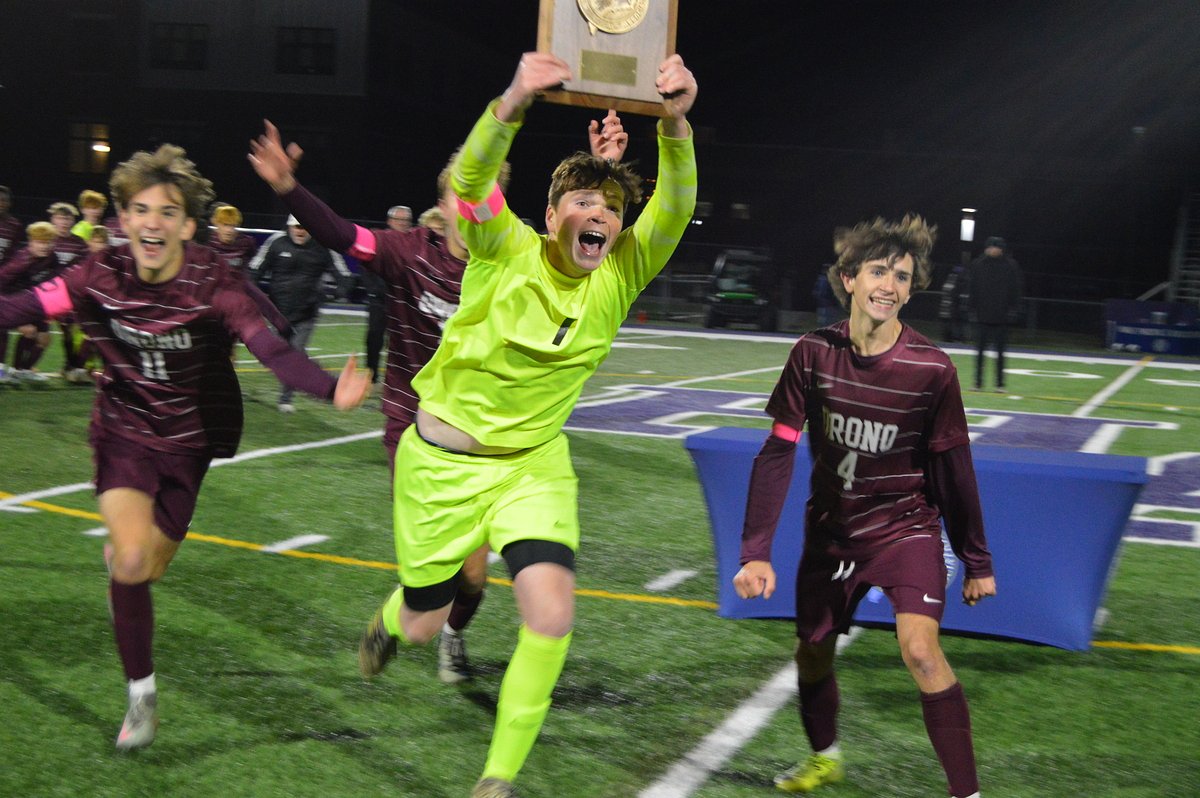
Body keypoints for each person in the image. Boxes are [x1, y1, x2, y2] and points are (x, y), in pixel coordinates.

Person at [347, 51, 696, 798]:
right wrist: (514, 99)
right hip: (441, 466)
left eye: (609, 206)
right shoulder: (502, 248)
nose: (597, 214)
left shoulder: (622, 274)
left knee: (551, 610)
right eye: (580, 201)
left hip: (532, 466)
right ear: (548, 215)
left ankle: (497, 777)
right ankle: (391, 618)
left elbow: (673, 204)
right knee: (421, 620)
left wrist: (674, 123)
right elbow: (469, 184)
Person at [0, 143, 370, 751]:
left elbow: (268, 348)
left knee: (152, 565)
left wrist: (329, 388)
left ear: (187, 225)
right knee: (132, 562)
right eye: (140, 210)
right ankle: (141, 695)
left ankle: (128, 570)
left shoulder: (214, 283)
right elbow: (23, 306)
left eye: (167, 212)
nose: (152, 222)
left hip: (189, 441)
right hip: (122, 432)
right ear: (122, 220)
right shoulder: (98, 274)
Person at [247, 109, 628, 686]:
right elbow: (340, 234)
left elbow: (582, 228)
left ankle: (451, 635)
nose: (475, 202)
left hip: (493, 437)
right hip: (416, 424)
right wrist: (287, 188)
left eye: (491, 193)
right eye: (464, 193)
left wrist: (603, 170)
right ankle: (405, 620)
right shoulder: (408, 252)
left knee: (474, 578)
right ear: (445, 200)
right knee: (452, 574)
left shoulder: (514, 255)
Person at [732, 215, 996, 798]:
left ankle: (968, 794)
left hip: (906, 530)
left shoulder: (933, 370)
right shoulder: (811, 354)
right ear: (848, 278)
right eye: (879, 271)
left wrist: (977, 560)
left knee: (922, 652)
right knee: (812, 656)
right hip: (831, 534)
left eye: (902, 277)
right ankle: (825, 758)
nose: (890, 285)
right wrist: (756, 552)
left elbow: (955, 470)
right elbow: (777, 452)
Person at [249, 214, 351, 412]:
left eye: (304, 226)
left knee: (294, 352)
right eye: (296, 226)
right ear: (289, 227)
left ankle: (286, 398)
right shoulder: (276, 242)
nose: (300, 230)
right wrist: (254, 294)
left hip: (306, 313)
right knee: (279, 355)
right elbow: (255, 270)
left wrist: (341, 290)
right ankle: (318, 379)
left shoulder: (323, 246)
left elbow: (344, 274)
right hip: (277, 312)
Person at [0, 221, 61, 384]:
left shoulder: (52, 258)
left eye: (48, 242)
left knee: (44, 338)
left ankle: (23, 371)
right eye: (40, 242)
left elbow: (53, 281)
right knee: (26, 331)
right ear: (31, 242)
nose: (44, 246)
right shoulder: (21, 261)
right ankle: (8, 370)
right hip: (11, 302)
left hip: (36, 302)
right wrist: (15, 316)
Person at [966, 235, 1022, 392]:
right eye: (990, 247)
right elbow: (973, 289)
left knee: (1000, 353)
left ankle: (1000, 384)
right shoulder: (978, 265)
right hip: (982, 315)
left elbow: (1015, 290)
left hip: (1002, 316)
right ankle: (977, 383)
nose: (993, 250)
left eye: (996, 247)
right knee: (979, 353)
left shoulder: (1010, 266)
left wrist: (1013, 310)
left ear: (1001, 249)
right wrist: (971, 309)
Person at [206, 204, 258, 272]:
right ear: (217, 224)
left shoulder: (247, 242)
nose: (229, 230)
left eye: (233, 225)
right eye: (225, 225)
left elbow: (254, 266)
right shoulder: (207, 241)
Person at [0, 185, 22, 265]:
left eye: (3, 200)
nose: (0, 203)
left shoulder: (15, 225)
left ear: (9, 203)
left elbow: (13, 251)